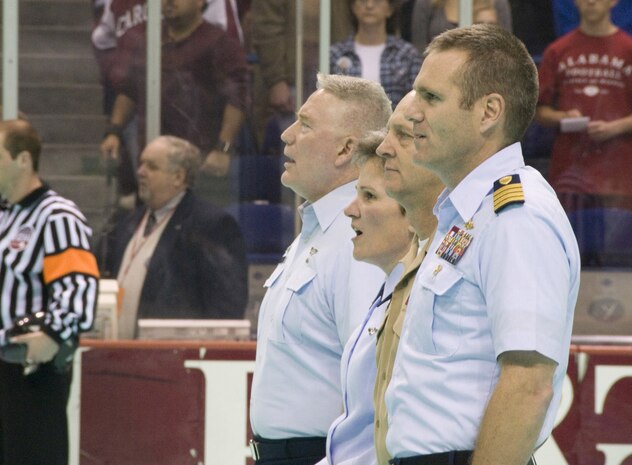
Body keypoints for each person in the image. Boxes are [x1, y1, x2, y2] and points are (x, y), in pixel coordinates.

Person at [385, 24, 581, 465]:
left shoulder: (517, 217)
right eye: (416, 93)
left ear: (489, 111)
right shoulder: (470, 214)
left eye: (431, 98)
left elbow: (528, 385)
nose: (412, 111)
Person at [249, 74, 391, 465]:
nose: (287, 135)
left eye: (306, 124)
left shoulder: (358, 239)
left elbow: (373, 386)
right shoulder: (317, 232)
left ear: (346, 148)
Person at [318, 93, 444, 465]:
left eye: (369, 196)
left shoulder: (420, 294)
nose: (350, 210)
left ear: (409, 214)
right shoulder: (387, 291)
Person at [0, 119, 99, 465]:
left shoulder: (57, 216)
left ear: (23, 159)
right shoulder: (4, 216)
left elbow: (78, 290)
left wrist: (50, 335)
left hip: (28, 373)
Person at [104, 135, 248, 339]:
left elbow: (225, 310)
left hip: (174, 360)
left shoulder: (210, 225)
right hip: (120, 353)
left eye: (151, 167)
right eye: (141, 164)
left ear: (179, 177)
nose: (140, 172)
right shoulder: (128, 223)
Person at [100, 0, 249, 181]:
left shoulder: (220, 42)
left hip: (201, 161)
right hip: (151, 155)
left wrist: (223, 148)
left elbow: (237, 97)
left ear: (200, 2)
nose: (169, 1)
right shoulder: (150, 39)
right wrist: (114, 132)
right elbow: (129, 90)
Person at [372, 91, 444, 465]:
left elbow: (525, 385)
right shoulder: (417, 251)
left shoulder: (475, 240)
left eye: (403, 135)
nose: (383, 149)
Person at [535, 0, 632, 214]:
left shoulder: (628, 50)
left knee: (618, 244)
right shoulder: (557, 51)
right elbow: (538, 110)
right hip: (569, 172)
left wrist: (615, 127)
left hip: (619, 175)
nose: (591, 1)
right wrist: (563, 117)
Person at [330, 0, 422, 107]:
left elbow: (416, 102)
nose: (369, 5)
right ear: (353, 7)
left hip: (393, 122)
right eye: (363, 1)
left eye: (377, 1)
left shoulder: (407, 55)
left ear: (390, 9)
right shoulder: (336, 54)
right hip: (345, 122)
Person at [407, 0, 512, 53]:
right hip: (437, 71)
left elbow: (506, 47)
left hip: (485, 71)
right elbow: (419, 49)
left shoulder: (497, 3)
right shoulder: (427, 3)